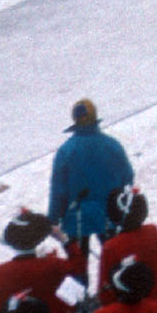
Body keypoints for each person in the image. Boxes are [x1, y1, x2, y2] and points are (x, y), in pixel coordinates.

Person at [44, 98, 132, 261]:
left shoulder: (66, 151)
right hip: (108, 214)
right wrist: (123, 207)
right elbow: (127, 178)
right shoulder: (112, 145)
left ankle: (82, 286)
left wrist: (53, 218)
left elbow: (58, 190)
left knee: (78, 262)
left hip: (76, 217)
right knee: (114, 259)